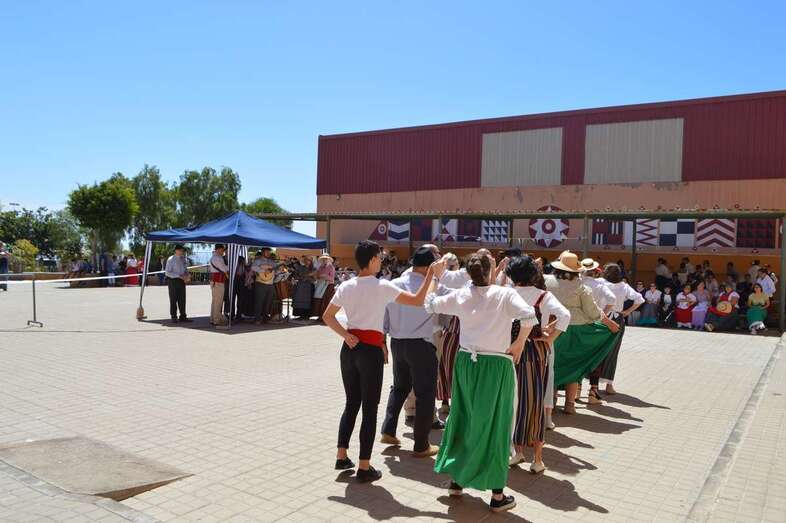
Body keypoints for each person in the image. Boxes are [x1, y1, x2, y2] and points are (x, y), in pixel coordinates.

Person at [322, 241, 443, 483]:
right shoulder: (382, 286)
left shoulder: (347, 285)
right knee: (369, 408)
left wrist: (346, 335)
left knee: (351, 403)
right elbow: (418, 300)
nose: (381, 260)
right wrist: (431, 274)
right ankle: (364, 465)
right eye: (379, 257)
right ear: (372, 260)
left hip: (350, 348)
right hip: (370, 350)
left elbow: (328, 316)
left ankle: (342, 454)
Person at [425, 251, 536, 513]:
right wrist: (519, 343)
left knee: (463, 418)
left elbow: (430, 304)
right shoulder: (504, 294)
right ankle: (497, 495)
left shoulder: (463, 294)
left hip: (466, 362)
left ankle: (457, 480)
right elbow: (529, 315)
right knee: (497, 424)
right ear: (489, 270)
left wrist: (435, 277)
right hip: (495, 365)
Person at [380, 247, 446, 458]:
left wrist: (383, 339)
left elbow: (384, 315)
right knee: (425, 394)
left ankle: (388, 429)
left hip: (397, 342)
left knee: (399, 387)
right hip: (421, 344)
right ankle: (421, 444)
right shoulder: (433, 286)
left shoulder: (394, 283)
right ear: (430, 267)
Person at [506, 256, 569, 473]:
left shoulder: (506, 292)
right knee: (534, 402)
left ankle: (518, 452)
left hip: (509, 350)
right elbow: (565, 315)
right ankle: (537, 459)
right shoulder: (543, 295)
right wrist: (551, 338)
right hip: (535, 352)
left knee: (513, 401)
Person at [547, 251, 619, 414]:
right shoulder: (580, 287)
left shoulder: (547, 281)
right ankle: (570, 405)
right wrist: (609, 323)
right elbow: (593, 312)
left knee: (553, 365)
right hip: (576, 330)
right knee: (574, 366)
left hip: (552, 327)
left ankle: (551, 401)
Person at [595, 263, 643, 397]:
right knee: (613, 351)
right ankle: (609, 385)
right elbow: (639, 299)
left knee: (596, 350)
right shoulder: (624, 286)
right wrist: (627, 311)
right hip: (616, 319)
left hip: (601, 318)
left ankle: (593, 385)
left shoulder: (600, 282)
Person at [165, 245, 191, 323]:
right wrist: (179, 276)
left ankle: (183, 316)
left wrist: (187, 275)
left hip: (181, 281)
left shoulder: (183, 259)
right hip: (173, 281)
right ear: (176, 250)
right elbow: (167, 272)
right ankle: (174, 316)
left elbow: (185, 269)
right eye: (181, 250)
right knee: (173, 299)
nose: (182, 252)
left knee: (182, 299)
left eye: (183, 251)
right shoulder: (171, 259)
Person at [252, 248, 277, 324]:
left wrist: (280, 269)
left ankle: (265, 318)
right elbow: (253, 267)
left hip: (270, 284)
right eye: (267, 252)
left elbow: (275, 270)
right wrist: (264, 271)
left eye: (269, 252)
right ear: (263, 252)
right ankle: (257, 319)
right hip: (260, 283)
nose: (269, 253)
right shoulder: (258, 261)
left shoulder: (272, 262)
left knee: (268, 302)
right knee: (259, 301)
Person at [209, 244, 229, 328]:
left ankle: (213, 319)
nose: (223, 252)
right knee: (218, 301)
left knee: (215, 301)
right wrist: (230, 266)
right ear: (218, 249)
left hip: (215, 281)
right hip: (218, 281)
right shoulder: (218, 258)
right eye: (222, 250)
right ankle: (216, 320)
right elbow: (224, 268)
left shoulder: (214, 257)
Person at [312, 254, 337, 319]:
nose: (324, 260)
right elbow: (317, 276)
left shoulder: (331, 267)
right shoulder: (320, 267)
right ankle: (320, 316)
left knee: (326, 301)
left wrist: (325, 276)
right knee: (319, 301)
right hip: (320, 285)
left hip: (328, 285)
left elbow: (332, 278)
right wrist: (317, 275)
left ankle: (325, 316)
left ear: (328, 260)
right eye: (323, 259)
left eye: (326, 259)